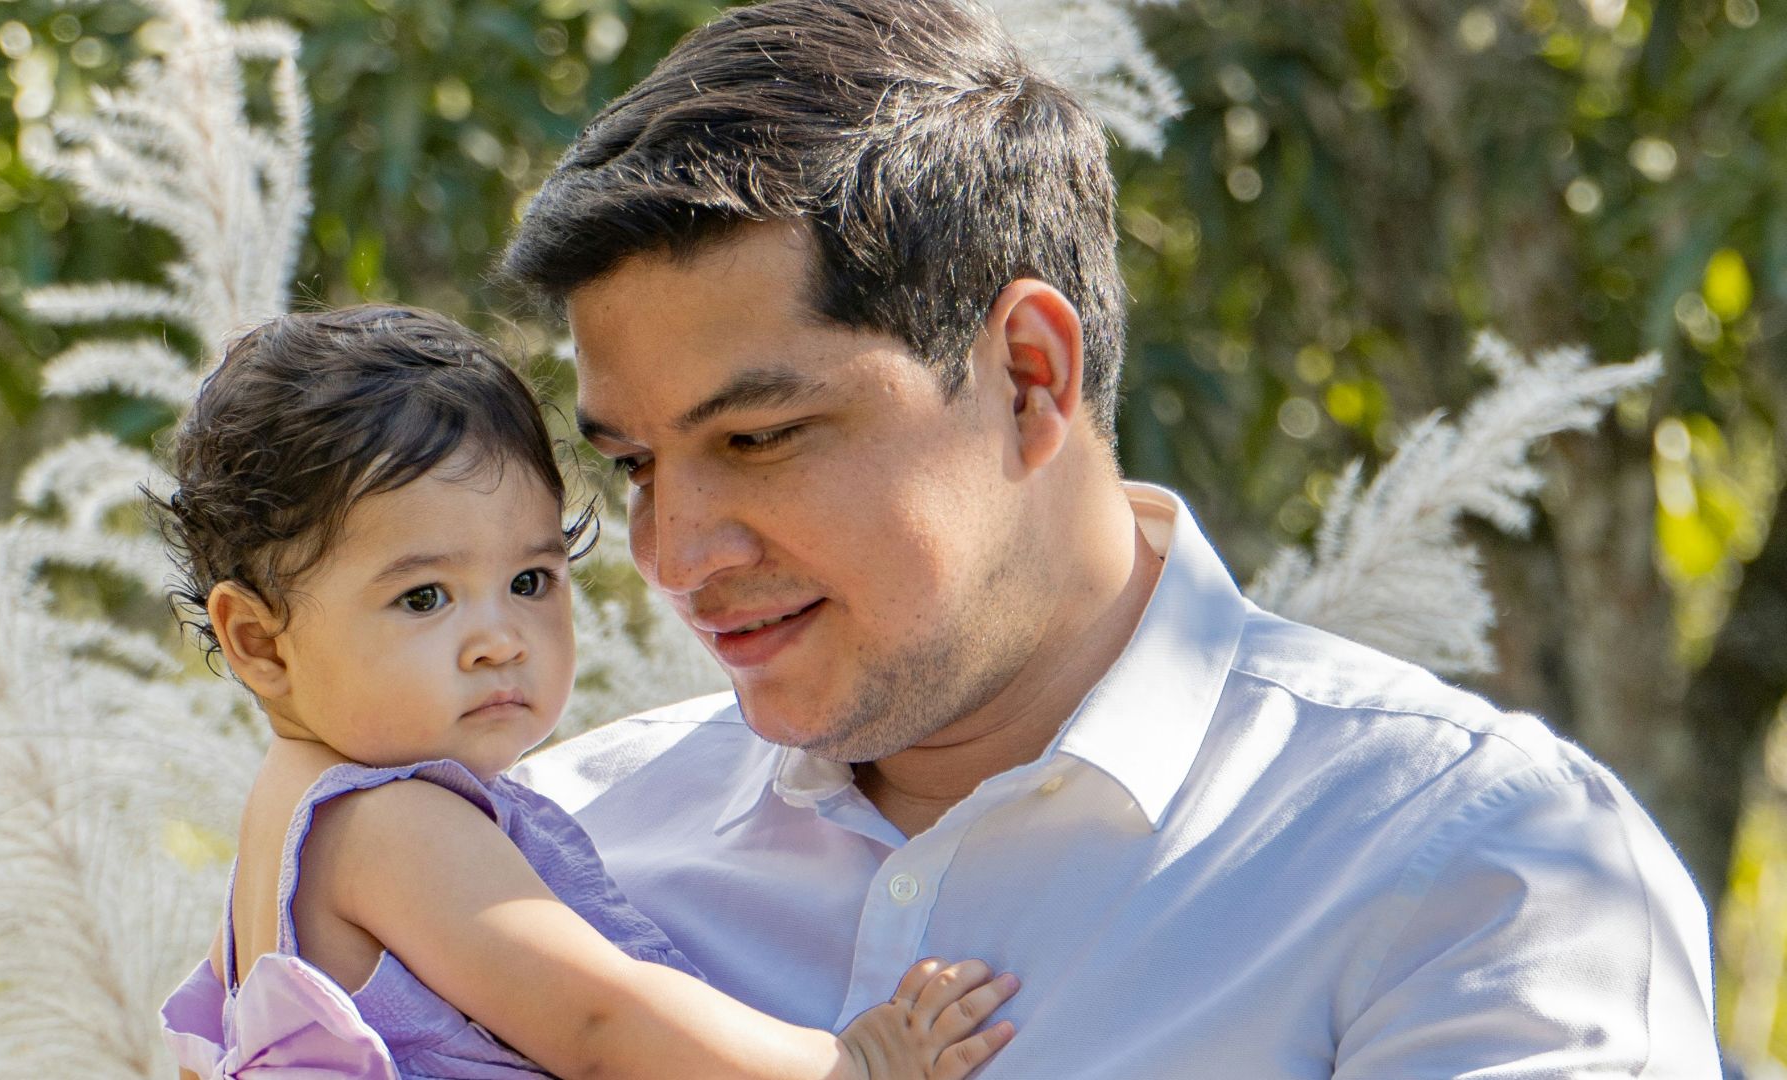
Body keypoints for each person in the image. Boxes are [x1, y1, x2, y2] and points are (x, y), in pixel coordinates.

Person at [502, 1, 1722, 1076]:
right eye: (633, 466)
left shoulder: (1475, 869)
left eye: (760, 438)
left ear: (1030, 378)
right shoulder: (538, 853)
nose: (675, 555)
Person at [152, 304, 1020, 1079]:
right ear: (259, 642)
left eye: (531, 580)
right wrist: (848, 1064)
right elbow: (601, 1022)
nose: (501, 642)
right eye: (424, 598)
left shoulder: (284, 836)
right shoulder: (388, 822)